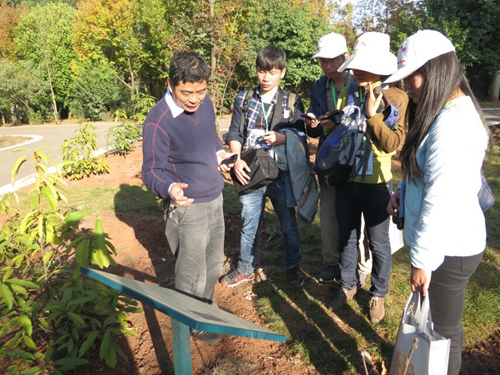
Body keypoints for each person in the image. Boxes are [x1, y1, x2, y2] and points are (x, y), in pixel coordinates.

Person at [386, 30, 489, 375]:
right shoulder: (442, 112)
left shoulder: (453, 124)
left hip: (450, 248)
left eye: (412, 75)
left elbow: (440, 199)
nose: (408, 86)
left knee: (442, 336)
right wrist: (404, 190)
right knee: (443, 330)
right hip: (446, 244)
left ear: (437, 69)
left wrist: (422, 261)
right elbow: (429, 173)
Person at [141, 51, 236, 344]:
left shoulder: (205, 105)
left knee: (212, 263)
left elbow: (211, 140)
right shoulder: (158, 120)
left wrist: (222, 156)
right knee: (190, 271)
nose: (195, 99)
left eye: (201, 90)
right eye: (187, 92)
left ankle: (206, 308)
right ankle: (190, 320)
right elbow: (151, 170)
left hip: (215, 198)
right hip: (188, 208)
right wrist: (169, 189)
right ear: (170, 84)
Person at [328, 32, 408, 323]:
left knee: (378, 243)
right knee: (346, 237)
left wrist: (373, 116)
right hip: (347, 179)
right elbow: (340, 128)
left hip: (377, 183)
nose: (356, 70)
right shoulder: (348, 90)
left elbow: (392, 144)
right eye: (355, 65)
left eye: (364, 65)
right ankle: (348, 285)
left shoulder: (396, 97)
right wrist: (330, 124)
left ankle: (378, 293)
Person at [220, 45, 306, 288]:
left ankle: (293, 267)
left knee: (288, 224)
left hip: (281, 173)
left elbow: (301, 133)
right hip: (251, 171)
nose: (266, 77)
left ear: (283, 73)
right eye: (261, 71)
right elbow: (235, 132)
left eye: (272, 72)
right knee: (249, 223)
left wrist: (284, 137)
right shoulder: (244, 98)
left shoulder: (291, 101)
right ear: (256, 71)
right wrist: (236, 159)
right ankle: (245, 267)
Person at [305, 32, 371, 285]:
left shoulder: (360, 81)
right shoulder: (319, 86)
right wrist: (313, 123)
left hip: (359, 157)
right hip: (331, 159)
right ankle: (331, 261)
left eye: (333, 60)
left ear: (345, 57)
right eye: (323, 61)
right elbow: (313, 130)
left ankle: (360, 265)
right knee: (330, 213)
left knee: (360, 216)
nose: (328, 66)